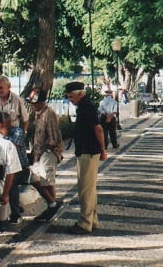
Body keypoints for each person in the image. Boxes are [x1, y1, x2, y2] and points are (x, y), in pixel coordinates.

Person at [65, 81, 107, 235]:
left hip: (88, 151)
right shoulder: (84, 106)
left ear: (79, 94)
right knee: (89, 188)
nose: (70, 99)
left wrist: (103, 150)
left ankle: (85, 222)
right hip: (85, 151)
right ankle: (92, 220)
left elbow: (98, 129)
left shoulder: (86, 107)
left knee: (85, 189)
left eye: (71, 96)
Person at [26, 87, 64, 223]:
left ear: (41, 101)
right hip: (39, 153)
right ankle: (52, 205)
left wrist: (45, 151)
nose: (32, 105)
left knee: (46, 181)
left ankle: (52, 206)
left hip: (48, 152)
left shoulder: (49, 114)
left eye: (34, 102)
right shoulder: (38, 114)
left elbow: (54, 138)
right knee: (38, 180)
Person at [2, 112, 29, 224]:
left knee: (11, 179)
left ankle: (15, 213)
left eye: (2, 124)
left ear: (8, 124)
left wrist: (1, 136)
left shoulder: (17, 132)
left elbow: (9, 149)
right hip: (4, 169)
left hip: (21, 169)